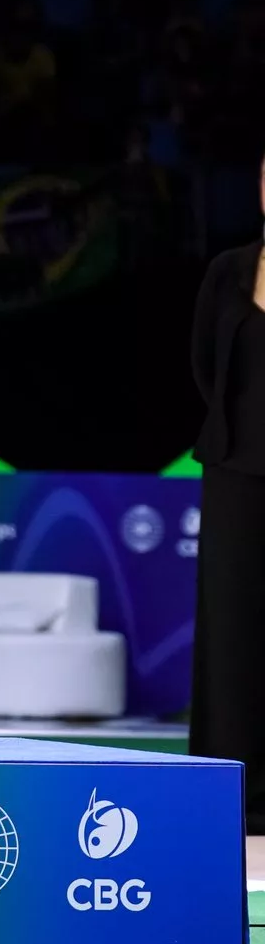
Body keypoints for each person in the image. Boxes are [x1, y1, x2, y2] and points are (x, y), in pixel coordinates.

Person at [188, 158, 265, 832]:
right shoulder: (231, 269)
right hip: (237, 470)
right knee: (232, 629)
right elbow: (203, 364)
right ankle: (228, 792)